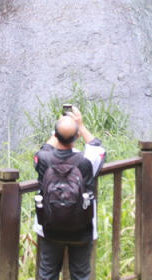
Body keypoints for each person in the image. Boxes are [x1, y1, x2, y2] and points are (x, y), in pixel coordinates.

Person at [33, 105, 106, 280]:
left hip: (50, 226)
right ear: (78, 136)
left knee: (47, 274)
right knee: (81, 275)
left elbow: (44, 147)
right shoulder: (87, 160)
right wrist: (80, 125)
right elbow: (97, 146)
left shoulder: (43, 159)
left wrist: (60, 127)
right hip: (82, 227)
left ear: (55, 135)